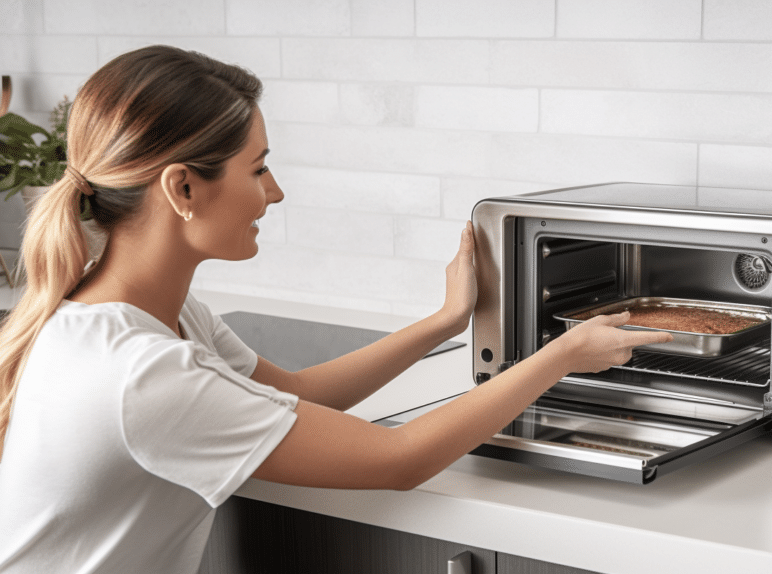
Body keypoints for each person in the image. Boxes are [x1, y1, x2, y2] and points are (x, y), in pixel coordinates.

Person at [0, 45, 672, 573]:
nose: (276, 192)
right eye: (258, 168)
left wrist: (444, 319)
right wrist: (564, 354)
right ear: (182, 188)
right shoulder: (143, 373)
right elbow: (399, 459)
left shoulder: (144, 314)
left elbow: (295, 395)